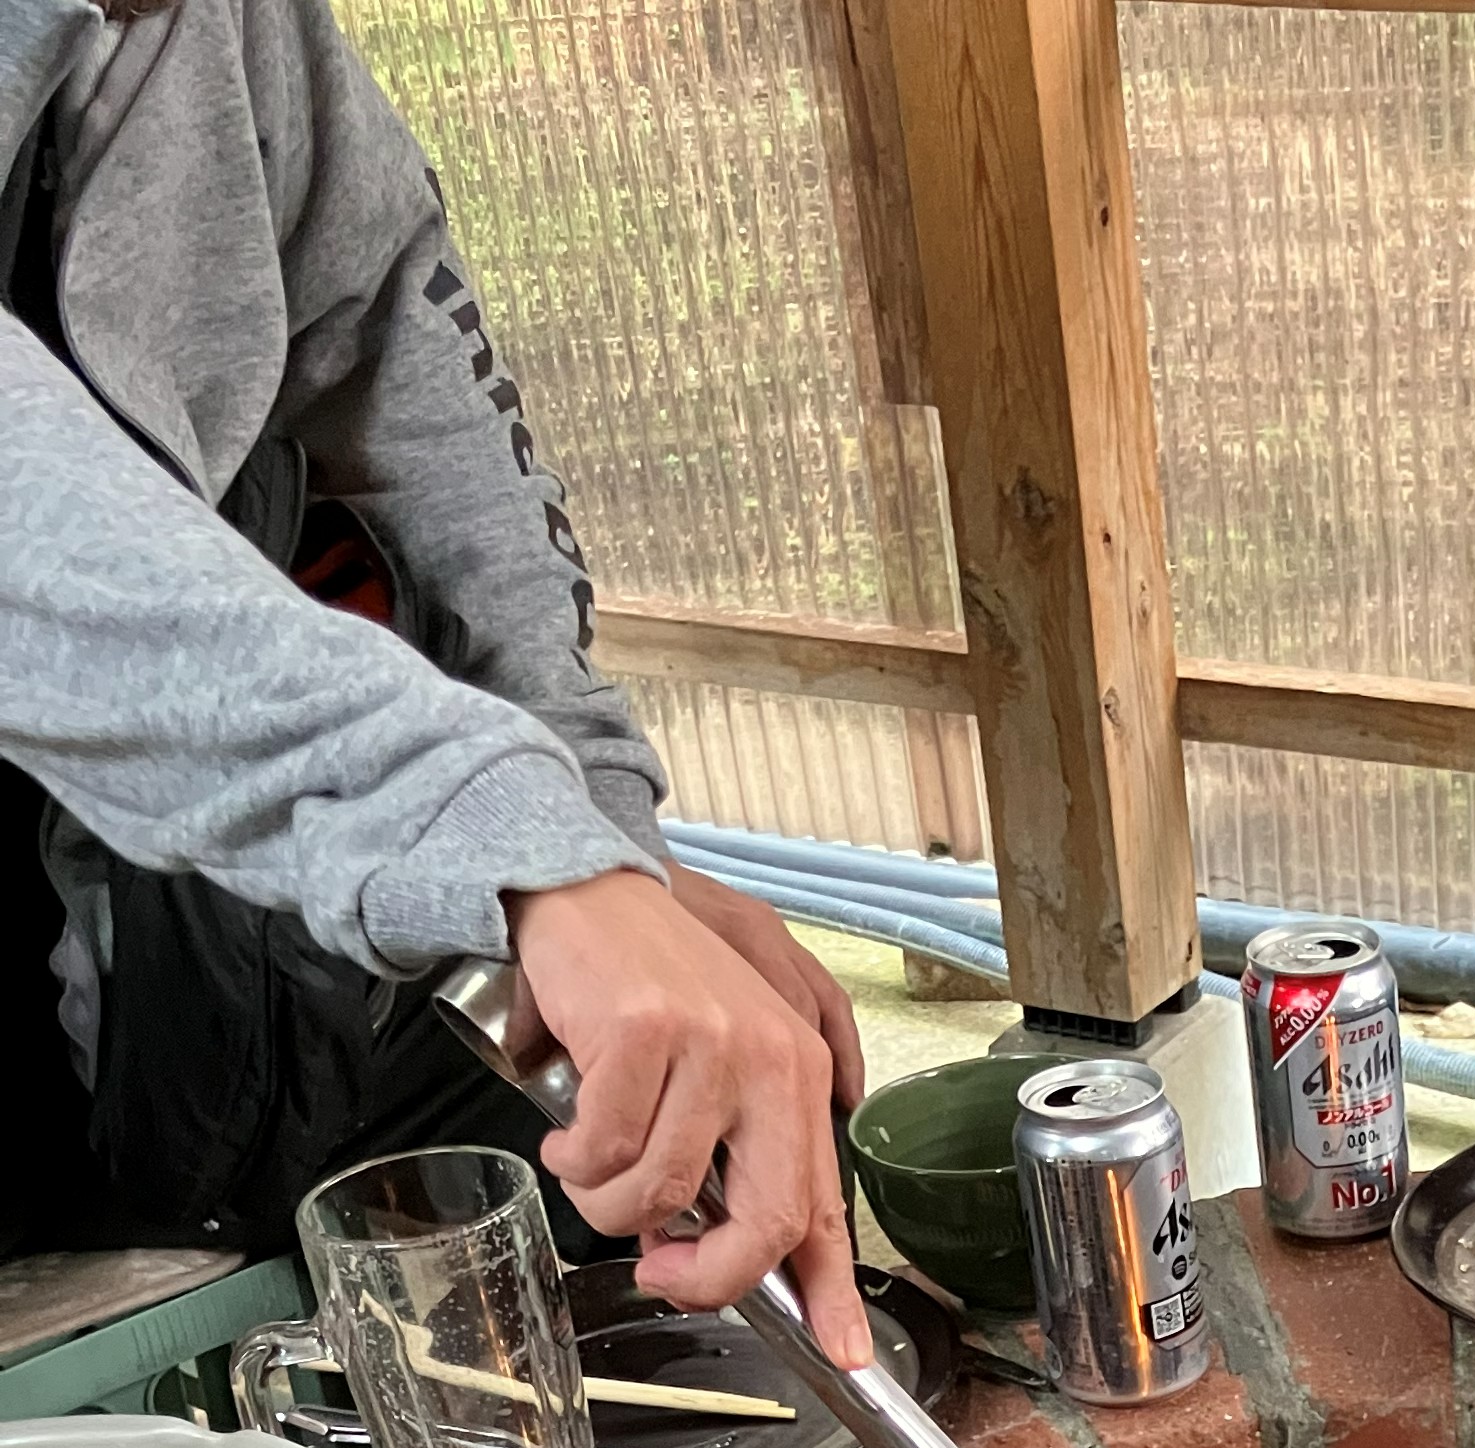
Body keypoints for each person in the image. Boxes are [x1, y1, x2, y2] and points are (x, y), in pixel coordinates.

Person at [0, 0, 871, 1358]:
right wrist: (498, 839)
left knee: (668, 1146)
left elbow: (385, 325)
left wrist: (599, 843)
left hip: (201, 889)